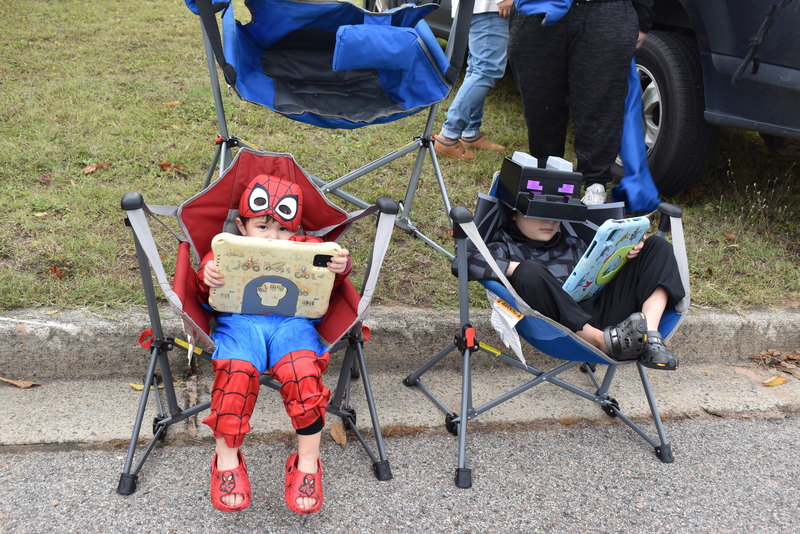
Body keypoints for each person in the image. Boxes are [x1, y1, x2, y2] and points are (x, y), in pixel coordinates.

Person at [196, 174, 351, 514]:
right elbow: (205, 281)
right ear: (242, 224)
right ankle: (227, 459)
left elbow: (330, 277)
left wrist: (340, 267)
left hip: (293, 324)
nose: (274, 237)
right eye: (263, 227)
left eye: (283, 229)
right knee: (235, 372)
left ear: (295, 230)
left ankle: (307, 462)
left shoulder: (309, 248)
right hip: (240, 323)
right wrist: (208, 276)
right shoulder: (228, 248)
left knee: (303, 374)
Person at [466, 207, 683, 369]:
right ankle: (600, 341)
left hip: (606, 317)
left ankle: (650, 340)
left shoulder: (574, 243)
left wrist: (627, 254)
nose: (549, 220)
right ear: (515, 213)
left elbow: (603, 278)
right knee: (528, 271)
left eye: (556, 213)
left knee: (657, 246)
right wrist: (516, 268)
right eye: (538, 213)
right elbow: (464, 262)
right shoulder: (502, 245)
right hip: (557, 327)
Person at [507, 0, 654, 202]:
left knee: (601, 102)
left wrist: (643, 16)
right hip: (537, 9)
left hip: (606, 11)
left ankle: (595, 185)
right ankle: (546, 177)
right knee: (540, 102)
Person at [433, 0, 515, 160]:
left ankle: (469, 132)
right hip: (489, 7)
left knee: (478, 67)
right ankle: (448, 137)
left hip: (478, 6)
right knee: (486, 69)